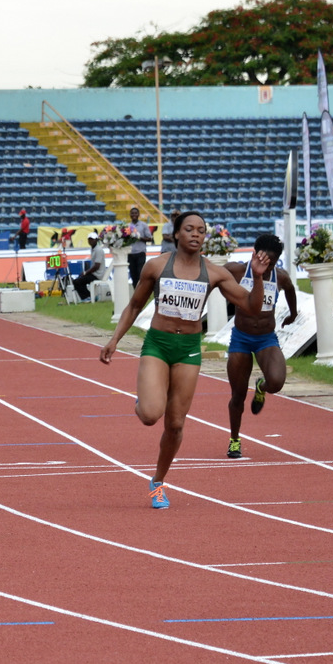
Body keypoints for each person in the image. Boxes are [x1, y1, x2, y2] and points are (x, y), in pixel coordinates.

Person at [99, 211, 270, 510]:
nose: (195, 234)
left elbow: (251, 306)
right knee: (151, 415)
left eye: (201, 231)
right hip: (158, 345)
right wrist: (114, 340)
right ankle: (143, 401)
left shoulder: (215, 273)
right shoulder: (156, 267)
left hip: (189, 349)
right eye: (189, 229)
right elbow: (135, 305)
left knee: (176, 424)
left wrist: (257, 277)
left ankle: (158, 482)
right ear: (176, 234)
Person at [222, 233, 299, 458]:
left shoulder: (279, 277)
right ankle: (234, 440)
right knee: (237, 395)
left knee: (277, 381)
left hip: (266, 337)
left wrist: (293, 314)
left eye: (273, 263)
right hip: (241, 338)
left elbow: (291, 290)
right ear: (255, 254)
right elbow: (212, 278)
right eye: (266, 262)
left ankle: (261, 388)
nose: (268, 268)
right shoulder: (236, 271)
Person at [72, 232, 107, 301]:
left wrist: (86, 272)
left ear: (96, 240)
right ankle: (90, 296)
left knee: (77, 281)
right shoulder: (93, 249)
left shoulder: (98, 250)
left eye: (92, 239)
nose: (90, 241)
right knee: (79, 280)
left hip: (97, 275)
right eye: (89, 239)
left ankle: (87, 297)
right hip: (95, 274)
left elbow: (97, 266)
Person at [127, 206, 152, 286]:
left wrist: (139, 238)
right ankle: (135, 292)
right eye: (132, 213)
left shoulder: (143, 225)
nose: (134, 214)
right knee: (133, 274)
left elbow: (149, 238)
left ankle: (141, 291)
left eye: (135, 213)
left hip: (140, 252)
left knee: (140, 273)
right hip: (130, 253)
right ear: (130, 215)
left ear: (138, 214)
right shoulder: (127, 226)